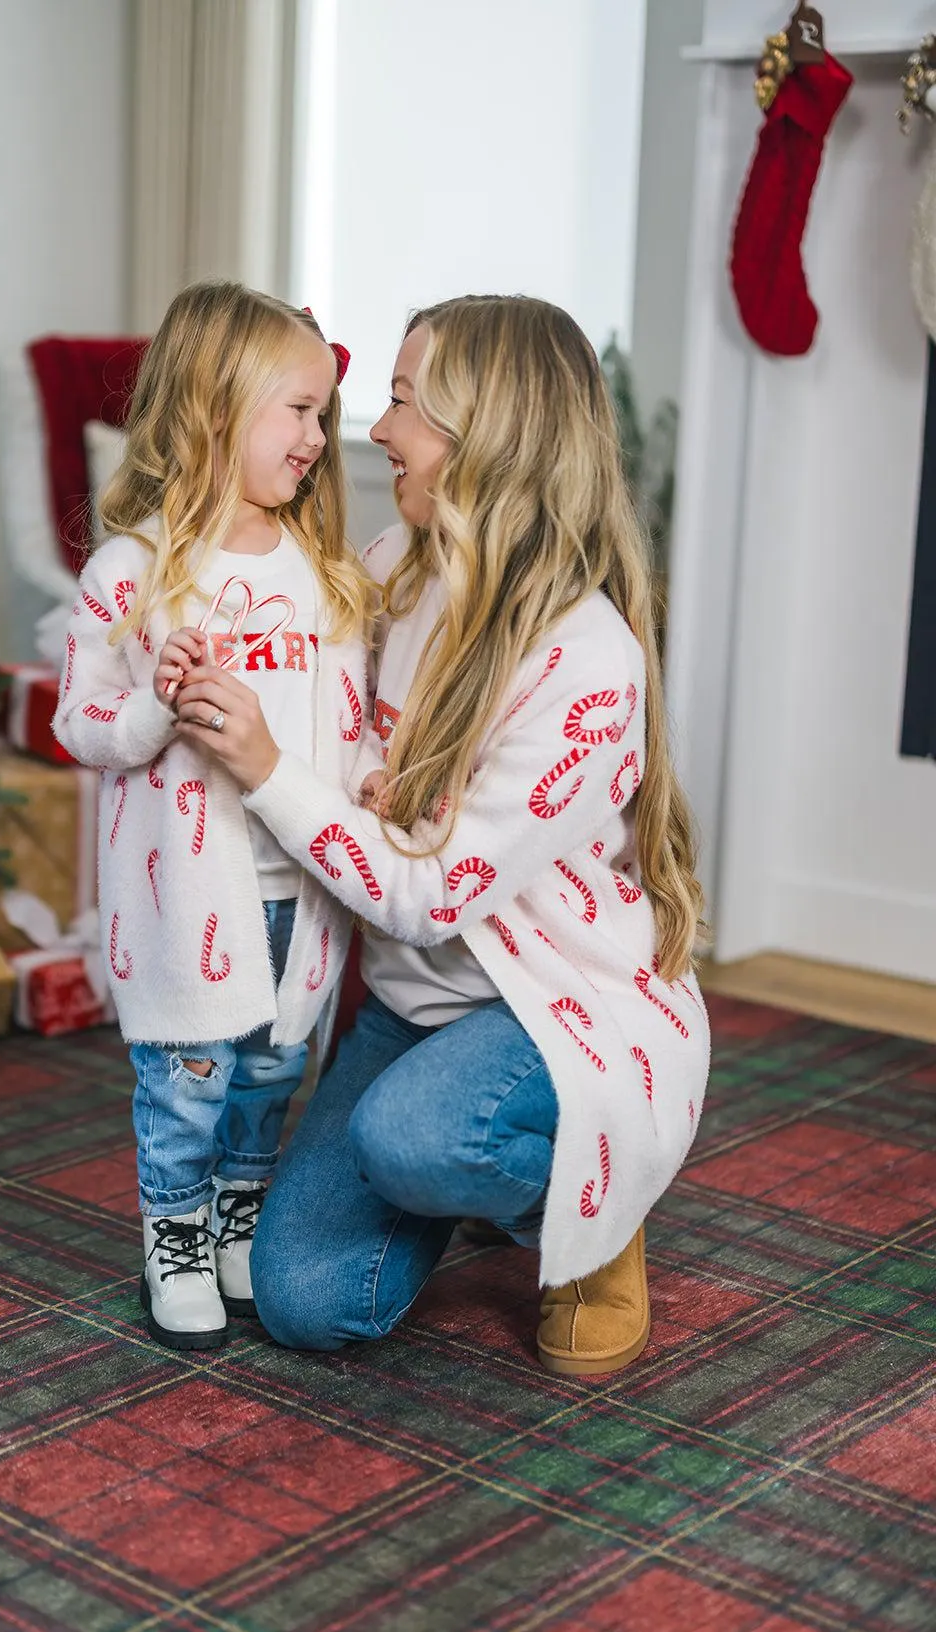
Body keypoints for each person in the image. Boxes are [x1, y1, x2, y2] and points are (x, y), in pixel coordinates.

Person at [172, 294, 710, 1375]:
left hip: (555, 1009)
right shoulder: (393, 565)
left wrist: (269, 770)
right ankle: (460, 1164)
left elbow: (425, 893)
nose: (377, 429)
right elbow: (301, 668)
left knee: (410, 1137)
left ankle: (592, 1213)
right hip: (414, 1011)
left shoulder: (584, 659)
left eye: (405, 401)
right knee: (305, 1300)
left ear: (485, 435)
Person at [53, 281, 373, 1351]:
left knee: (273, 1072)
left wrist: (373, 777)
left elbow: (346, 718)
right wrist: (155, 705)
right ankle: (175, 1229)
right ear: (214, 408)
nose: (318, 438)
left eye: (324, 414)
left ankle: (239, 1209)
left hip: (300, 887)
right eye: (299, 410)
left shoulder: (323, 579)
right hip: (190, 892)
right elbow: (80, 719)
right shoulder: (134, 574)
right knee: (191, 1078)